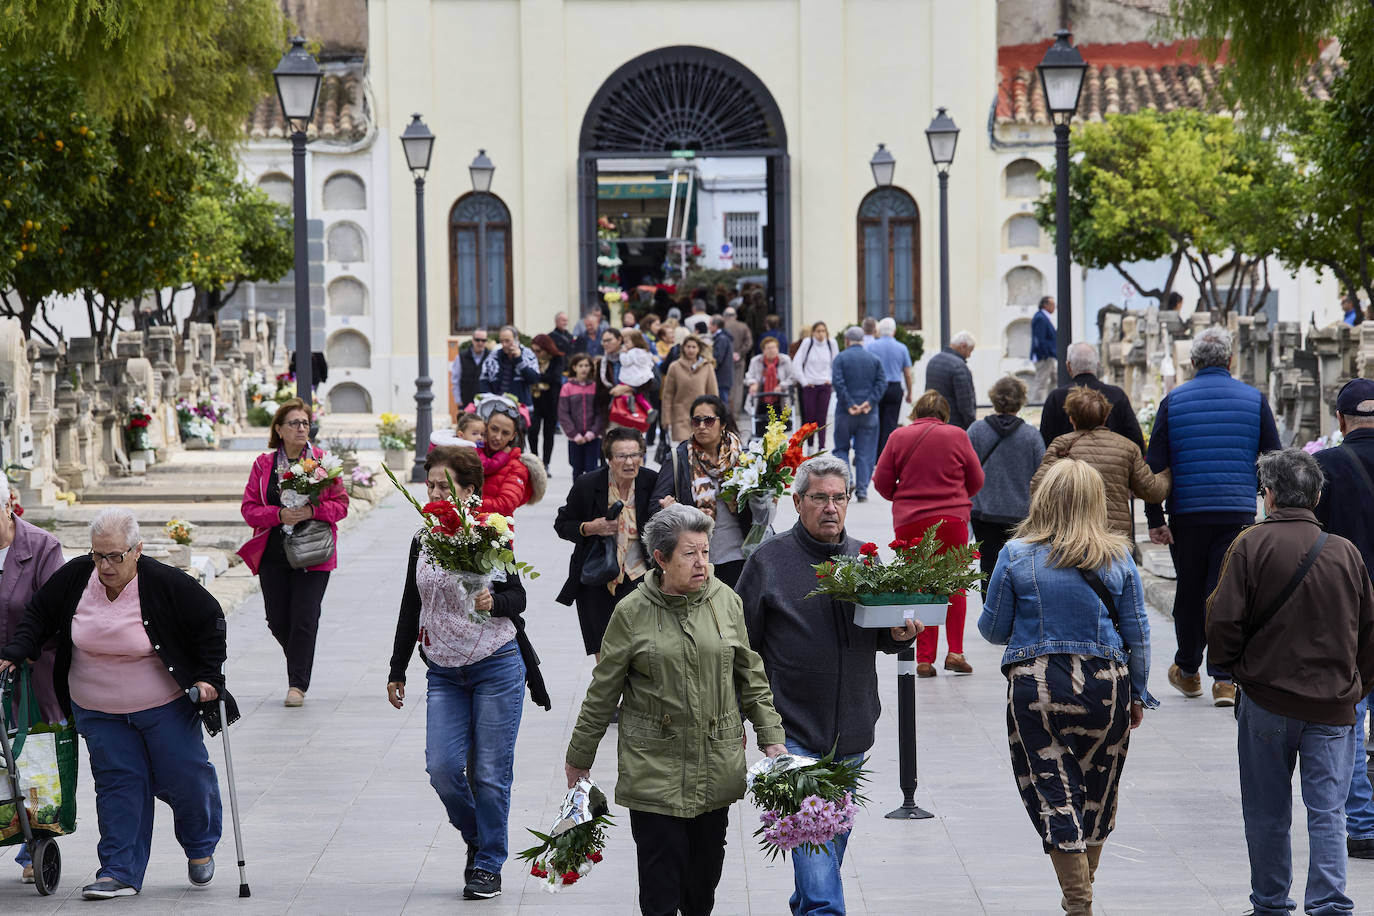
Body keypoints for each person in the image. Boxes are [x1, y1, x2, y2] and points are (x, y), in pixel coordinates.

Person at [1, 508, 237, 900]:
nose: (105, 565)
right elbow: (39, 613)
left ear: (137, 550)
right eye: (98, 555)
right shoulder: (78, 576)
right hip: (97, 709)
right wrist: (19, 649)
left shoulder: (162, 582)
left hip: (164, 705)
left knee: (186, 776)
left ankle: (200, 845)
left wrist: (209, 677)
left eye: (115, 556)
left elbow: (210, 619)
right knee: (118, 784)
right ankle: (118, 871)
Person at [564, 504, 787, 916]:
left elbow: (751, 676)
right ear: (662, 559)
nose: (702, 562)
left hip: (715, 764)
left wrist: (771, 739)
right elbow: (603, 690)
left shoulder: (727, 602)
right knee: (661, 889)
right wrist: (580, 756)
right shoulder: (631, 612)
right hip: (654, 769)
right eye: (690, 553)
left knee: (702, 889)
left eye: (705, 551)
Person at [738, 456, 921, 915]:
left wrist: (901, 634)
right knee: (821, 880)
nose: (831, 507)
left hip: (854, 730)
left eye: (839, 497)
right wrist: (743, 718)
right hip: (792, 734)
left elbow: (883, 633)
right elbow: (741, 647)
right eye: (820, 497)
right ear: (797, 501)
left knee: (822, 856)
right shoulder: (768, 562)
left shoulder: (866, 558)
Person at [979, 459, 1157, 916]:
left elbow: (993, 631)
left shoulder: (1016, 554)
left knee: (1051, 789)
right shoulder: (1118, 557)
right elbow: (1137, 632)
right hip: (1105, 687)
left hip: (1035, 686)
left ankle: (1079, 903)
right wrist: (1137, 692)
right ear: (1096, 503)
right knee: (1098, 793)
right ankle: (1081, 895)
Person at [1206, 448, 1374, 916]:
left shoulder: (1249, 545)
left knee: (1266, 812)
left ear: (1270, 495)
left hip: (1266, 699)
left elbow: (1222, 623)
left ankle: (1271, 903)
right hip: (1333, 703)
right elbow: (1368, 631)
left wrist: (1235, 669)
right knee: (1329, 812)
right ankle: (1330, 904)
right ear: (1317, 495)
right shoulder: (1345, 552)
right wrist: (1354, 685)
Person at [387, 446, 548, 901]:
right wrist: (397, 667)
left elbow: (517, 597)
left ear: (469, 491)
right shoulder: (423, 539)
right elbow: (410, 604)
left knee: (491, 773)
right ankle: (480, 836)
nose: (435, 493)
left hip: (496, 665)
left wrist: (493, 601)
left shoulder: (489, 536)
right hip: (443, 670)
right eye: (431, 485)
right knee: (441, 767)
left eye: (444, 486)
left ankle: (489, 864)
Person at [1144, 326, 1281, 707]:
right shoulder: (1253, 400)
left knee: (1189, 590)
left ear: (1192, 362)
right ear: (1230, 360)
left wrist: (1155, 517)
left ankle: (1188, 670)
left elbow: (1155, 466)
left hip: (1187, 513)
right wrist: (1267, 502)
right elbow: (1272, 457)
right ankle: (1224, 678)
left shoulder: (1174, 401)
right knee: (1228, 592)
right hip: (1236, 512)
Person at [238, 397, 350, 707]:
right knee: (277, 619)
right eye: (294, 423)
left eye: (305, 423)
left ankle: (297, 685)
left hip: (314, 551)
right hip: (273, 551)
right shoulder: (263, 465)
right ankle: (300, 659)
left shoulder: (323, 463)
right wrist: (278, 515)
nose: (302, 428)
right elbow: (249, 510)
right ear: (279, 429)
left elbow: (341, 505)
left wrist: (312, 510)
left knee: (304, 618)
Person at [874, 390, 985, 677]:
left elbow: (882, 482)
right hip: (951, 520)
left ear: (915, 412)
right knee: (955, 583)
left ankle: (924, 659)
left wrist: (904, 497)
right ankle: (956, 652)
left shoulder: (898, 437)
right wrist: (955, 497)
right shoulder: (957, 435)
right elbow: (977, 479)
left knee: (919, 584)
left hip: (911, 521)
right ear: (944, 415)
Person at [1311, 378, 1374, 859]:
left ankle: (1363, 824)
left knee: (1348, 718)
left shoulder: (1325, 467)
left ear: (1340, 420)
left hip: (1347, 613)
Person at [0, 483, 65, 883]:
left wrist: (22, 649)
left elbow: (57, 609)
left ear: (8, 504)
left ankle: (33, 839)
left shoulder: (42, 546)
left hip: (33, 671)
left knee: (32, 756)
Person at [554, 428, 657, 657]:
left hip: (639, 577)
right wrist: (589, 527)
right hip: (596, 578)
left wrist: (671, 509)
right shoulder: (588, 484)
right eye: (621, 456)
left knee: (639, 653)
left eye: (635, 455)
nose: (629, 462)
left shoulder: (652, 482)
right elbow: (562, 524)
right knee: (605, 657)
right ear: (609, 459)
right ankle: (608, 694)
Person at [1032, 386, 1171, 539]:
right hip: (1114, 537)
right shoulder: (1126, 447)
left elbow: (1038, 488)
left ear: (1071, 418)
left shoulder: (1061, 445)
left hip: (1071, 536)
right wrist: (1167, 473)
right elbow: (1151, 490)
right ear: (1105, 416)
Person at [650, 395, 759, 589]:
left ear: (722, 423)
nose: (701, 426)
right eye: (696, 420)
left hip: (740, 554)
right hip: (698, 560)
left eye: (708, 420)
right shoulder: (679, 458)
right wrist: (672, 510)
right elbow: (654, 506)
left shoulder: (743, 457)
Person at [968, 377, 1045, 582]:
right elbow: (1044, 474)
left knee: (988, 567)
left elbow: (963, 469)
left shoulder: (976, 431)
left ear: (994, 399)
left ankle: (991, 610)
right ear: (1020, 401)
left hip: (983, 512)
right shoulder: (1031, 436)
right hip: (1020, 515)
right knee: (1019, 569)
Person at [1039, 341, 1144, 452]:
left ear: (1068, 366)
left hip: (1069, 466)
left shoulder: (1056, 398)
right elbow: (1136, 440)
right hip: (1112, 465)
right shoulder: (1117, 395)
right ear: (1097, 365)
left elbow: (1045, 443)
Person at [831, 326, 886, 502]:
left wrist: (850, 404)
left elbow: (838, 383)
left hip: (845, 413)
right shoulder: (874, 359)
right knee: (865, 452)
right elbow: (881, 383)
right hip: (868, 413)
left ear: (847, 341)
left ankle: (848, 481)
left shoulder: (840, 358)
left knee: (841, 448)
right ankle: (862, 490)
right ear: (862, 340)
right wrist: (868, 403)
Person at [473, 396, 546, 517]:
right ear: (486, 426)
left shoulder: (517, 467)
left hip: (494, 533)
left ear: (513, 436)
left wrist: (468, 506)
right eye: (494, 429)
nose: (497, 437)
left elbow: (506, 505)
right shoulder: (472, 452)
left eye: (505, 433)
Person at [660, 334, 718, 443]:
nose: (691, 350)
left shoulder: (707, 367)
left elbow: (713, 394)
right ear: (683, 348)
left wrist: (715, 415)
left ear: (699, 349)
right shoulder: (674, 367)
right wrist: (666, 418)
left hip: (702, 417)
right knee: (684, 447)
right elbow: (668, 394)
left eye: (694, 347)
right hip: (680, 415)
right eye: (688, 347)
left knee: (701, 447)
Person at [869, 317, 914, 453]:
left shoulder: (871, 346)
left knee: (875, 422)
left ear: (879, 331)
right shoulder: (902, 348)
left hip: (876, 387)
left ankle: (874, 454)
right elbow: (907, 373)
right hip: (894, 388)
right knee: (890, 423)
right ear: (894, 331)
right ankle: (886, 454)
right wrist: (909, 392)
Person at [558, 352, 605, 479]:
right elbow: (563, 413)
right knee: (576, 468)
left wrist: (593, 432)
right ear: (574, 368)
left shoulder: (595, 387)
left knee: (592, 469)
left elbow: (599, 412)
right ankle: (578, 497)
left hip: (592, 437)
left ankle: (591, 497)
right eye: (580, 365)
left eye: (586, 365)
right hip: (575, 438)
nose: (584, 368)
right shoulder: (567, 388)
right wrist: (574, 434)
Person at [794, 321, 838, 451]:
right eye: (818, 331)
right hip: (810, 386)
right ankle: (810, 445)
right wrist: (804, 382)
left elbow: (835, 364)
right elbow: (796, 363)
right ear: (813, 332)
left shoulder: (832, 344)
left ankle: (822, 447)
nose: (821, 334)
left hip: (825, 385)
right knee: (810, 417)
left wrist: (830, 379)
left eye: (823, 331)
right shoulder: (808, 343)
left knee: (822, 417)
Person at [744, 335, 798, 438]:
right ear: (763, 350)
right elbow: (748, 376)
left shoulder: (785, 360)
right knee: (760, 430)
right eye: (768, 348)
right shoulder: (756, 361)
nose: (772, 350)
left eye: (774, 347)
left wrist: (782, 386)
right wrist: (753, 383)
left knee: (779, 428)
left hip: (780, 400)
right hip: (761, 400)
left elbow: (793, 377)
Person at [923, 330, 977, 430]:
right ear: (963, 346)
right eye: (970, 351)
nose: (969, 355)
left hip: (934, 421)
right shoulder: (959, 366)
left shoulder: (933, 361)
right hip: (954, 424)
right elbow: (965, 403)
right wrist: (971, 424)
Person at [478, 325, 541, 407]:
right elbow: (484, 380)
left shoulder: (528, 354)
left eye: (507, 341)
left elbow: (534, 379)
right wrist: (489, 400)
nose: (504, 344)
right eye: (501, 341)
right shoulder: (494, 356)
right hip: (497, 408)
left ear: (516, 339)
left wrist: (519, 360)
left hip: (521, 407)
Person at [527, 333, 564, 471]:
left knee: (549, 433)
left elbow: (555, 378)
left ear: (546, 349)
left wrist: (537, 376)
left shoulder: (557, 359)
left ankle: (546, 463)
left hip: (551, 401)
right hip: (534, 400)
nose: (536, 354)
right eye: (534, 350)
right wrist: (539, 377)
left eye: (538, 351)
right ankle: (535, 459)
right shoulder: (531, 358)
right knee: (533, 430)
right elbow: (528, 376)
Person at [724, 305, 755, 417]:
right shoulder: (743, 326)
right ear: (735, 316)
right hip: (739, 360)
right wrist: (740, 353)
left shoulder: (722, 326)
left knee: (725, 385)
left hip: (724, 361)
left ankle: (726, 411)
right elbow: (749, 342)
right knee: (738, 385)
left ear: (725, 316)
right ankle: (735, 412)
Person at [452, 329, 492, 410]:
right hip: (466, 402)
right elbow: (455, 380)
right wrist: (458, 400)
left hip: (486, 403)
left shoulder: (491, 357)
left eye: (483, 340)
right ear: (472, 340)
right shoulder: (461, 357)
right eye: (477, 340)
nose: (480, 343)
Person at [1030, 295, 1058, 402]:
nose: (1054, 307)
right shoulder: (1040, 318)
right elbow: (1039, 339)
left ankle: (1050, 401)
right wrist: (1045, 354)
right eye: (1053, 305)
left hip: (1049, 355)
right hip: (1044, 356)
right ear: (1045, 305)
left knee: (1055, 379)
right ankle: (1036, 404)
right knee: (1041, 382)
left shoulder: (1044, 317)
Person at [710, 316, 735, 407]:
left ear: (715, 326)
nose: (709, 326)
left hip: (722, 376)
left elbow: (718, 358)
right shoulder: (722, 337)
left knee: (723, 402)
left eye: (710, 324)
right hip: (724, 376)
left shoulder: (721, 339)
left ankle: (725, 420)